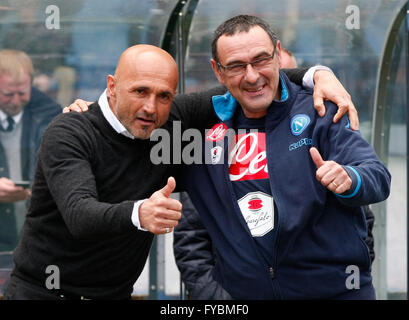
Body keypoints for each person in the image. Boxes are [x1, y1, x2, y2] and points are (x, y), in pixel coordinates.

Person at [175, 15, 390, 299]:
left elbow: (377, 176)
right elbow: (190, 234)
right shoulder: (202, 131)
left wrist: (350, 178)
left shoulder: (320, 111)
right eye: (237, 66)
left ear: (277, 55)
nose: (251, 76)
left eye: (262, 60)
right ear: (218, 70)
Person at [0, 49, 61, 252]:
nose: (16, 101)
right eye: (8, 94)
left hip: (36, 232)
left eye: (23, 93)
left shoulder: (50, 115)